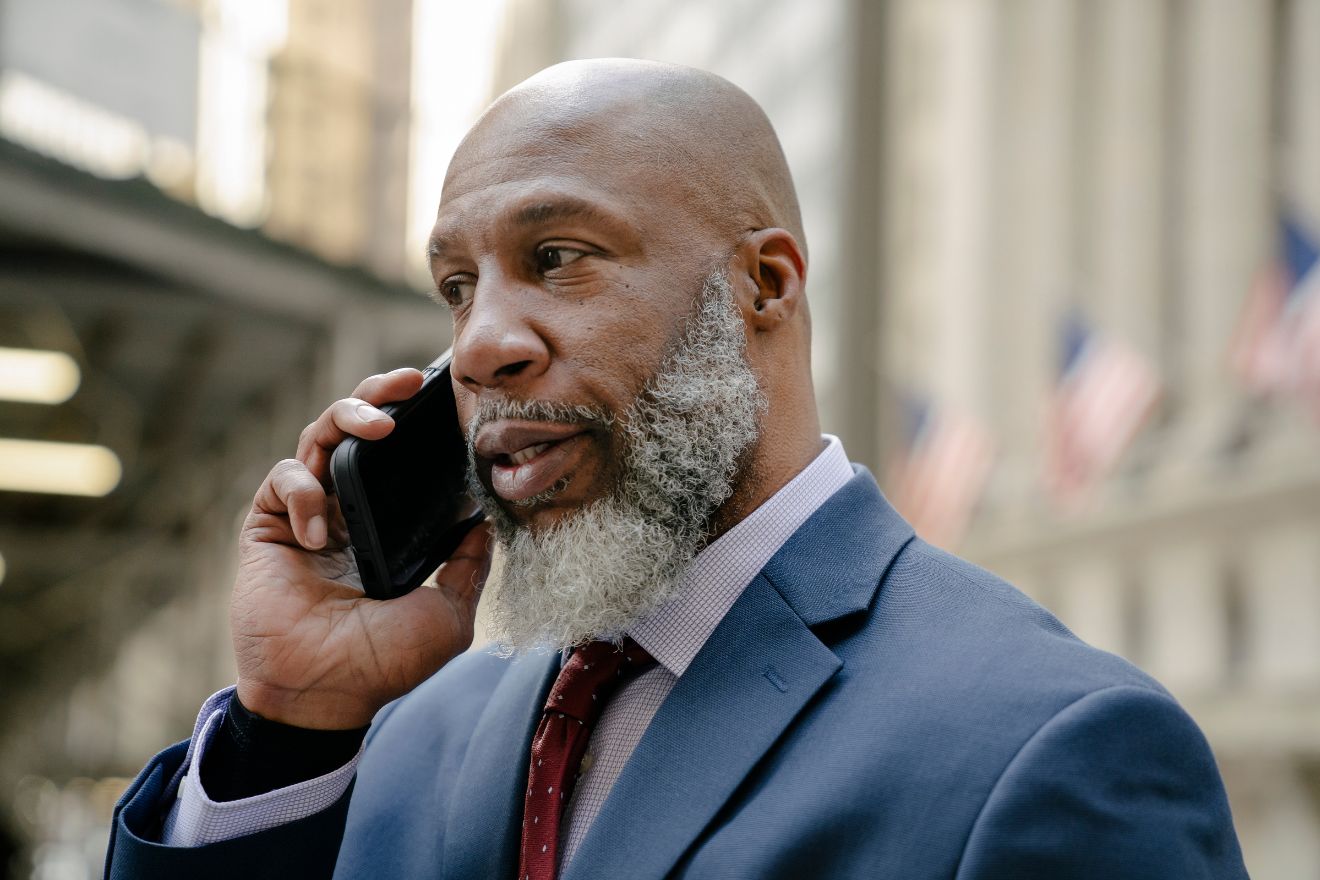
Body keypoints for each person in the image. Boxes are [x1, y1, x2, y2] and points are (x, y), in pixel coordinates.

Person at [105, 59, 1248, 880]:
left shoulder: (1050, 749)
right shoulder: (409, 734)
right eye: (458, 286)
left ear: (765, 286)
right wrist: (292, 727)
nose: (479, 345)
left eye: (557, 258)